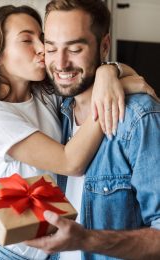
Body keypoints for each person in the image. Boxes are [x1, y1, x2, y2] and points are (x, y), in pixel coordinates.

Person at [0, 4, 156, 260]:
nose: (43, 51)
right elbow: (68, 162)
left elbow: (79, 74)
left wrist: (110, 71)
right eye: (29, 41)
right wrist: (117, 90)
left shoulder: (47, 96)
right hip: (4, 254)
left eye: (43, 40)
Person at [24, 0, 160, 259]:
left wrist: (87, 239)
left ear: (104, 45)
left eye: (75, 49)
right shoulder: (54, 109)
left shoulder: (139, 117)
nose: (61, 64)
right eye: (51, 49)